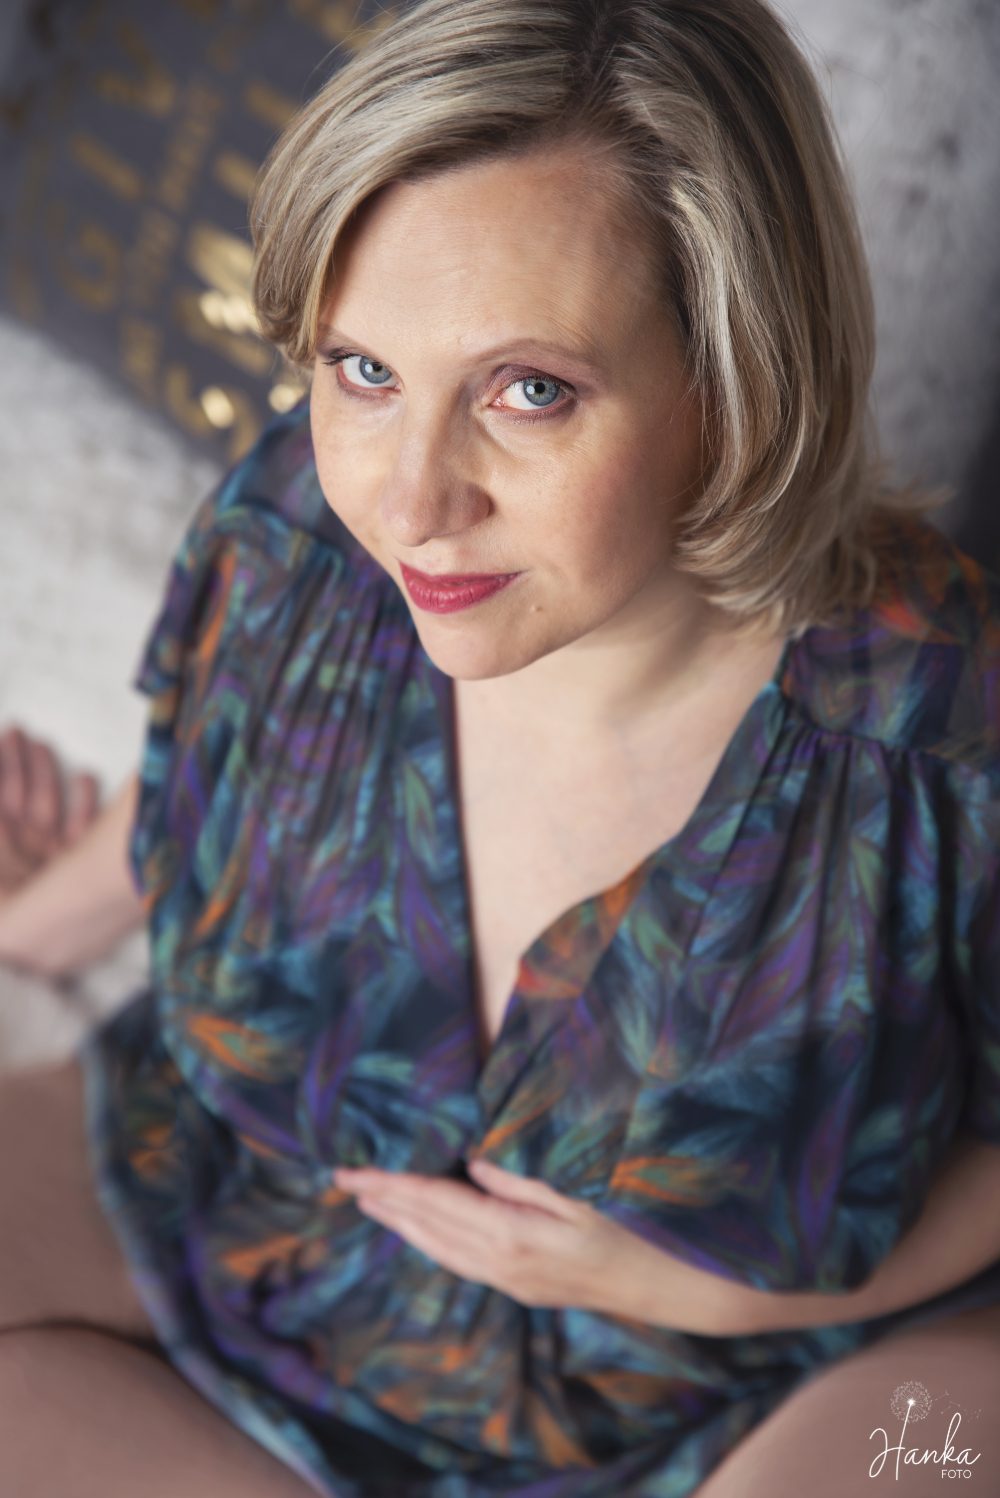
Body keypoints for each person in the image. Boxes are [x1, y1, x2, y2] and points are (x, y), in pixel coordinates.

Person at [0, 0, 999, 1492]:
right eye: (363, 370)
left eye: (530, 390)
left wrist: (725, 1294)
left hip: (734, 1384)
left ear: (735, 381)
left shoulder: (940, 739)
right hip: (256, 1219)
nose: (410, 504)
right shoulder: (298, 537)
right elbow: (221, 775)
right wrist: (27, 934)